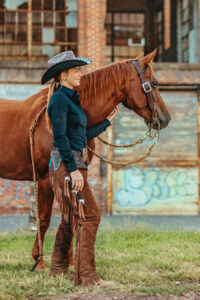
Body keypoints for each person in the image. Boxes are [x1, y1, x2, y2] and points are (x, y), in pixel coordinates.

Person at [41, 50, 119, 287]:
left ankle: (58, 268)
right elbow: (61, 138)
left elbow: (80, 135)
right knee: (90, 216)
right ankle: (87, 277)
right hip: (67, 165)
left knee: (70, 217)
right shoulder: (58, 101)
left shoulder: (70, 99)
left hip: (74, 163)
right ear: (64, 75)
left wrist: (106, 122)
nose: (81, 75)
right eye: (76, 70)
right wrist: (73, 169)